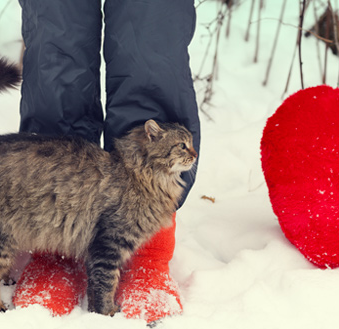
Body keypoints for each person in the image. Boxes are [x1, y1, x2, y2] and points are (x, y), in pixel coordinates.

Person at [11, 0, 200, 323]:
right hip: (55, 208)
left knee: (151, 35)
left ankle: (147, 249)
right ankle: (54, 245)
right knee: (56, 43)